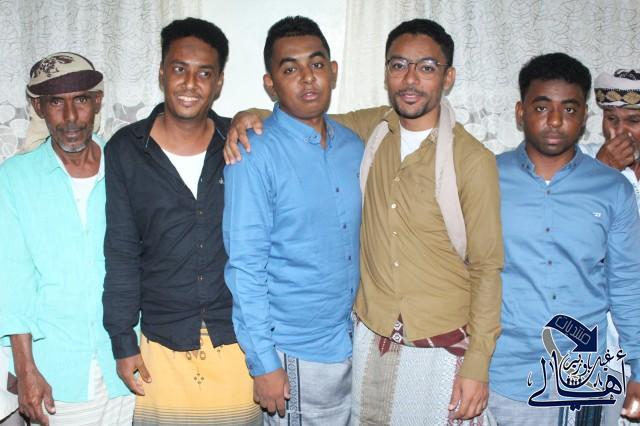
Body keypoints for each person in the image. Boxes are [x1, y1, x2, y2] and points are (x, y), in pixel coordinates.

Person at [225, 18, 503, 424]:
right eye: (399, 65)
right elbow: (245, 265)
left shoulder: (457, 156)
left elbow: (487, 267)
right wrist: (263, 361)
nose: (411, 79)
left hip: (417, 344)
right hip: (329, 345)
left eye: (426, 67)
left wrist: (477, 363)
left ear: (448, 77)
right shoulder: (362, 132)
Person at [102, 18, 261, 425]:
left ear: (219, 82)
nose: (190, 83)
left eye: (204, 73)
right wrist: (122, 340)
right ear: (161, 73)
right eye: (179, 69)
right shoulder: (126, 150)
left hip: (236, 344)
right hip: (161, 348)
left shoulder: (243, 144)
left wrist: (257, 113)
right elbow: (121, 252)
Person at [223, 16, 363, 425]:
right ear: (270, 84)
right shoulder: (253, 153)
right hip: (295, 352)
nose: (307, 78)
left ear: (332, 71)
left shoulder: (354, 144)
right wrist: (264, 362)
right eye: (290, 69)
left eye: (316, 65)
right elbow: (245, 266)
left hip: (354, 343)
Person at [488, 53, 640, 425]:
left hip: (586, 376)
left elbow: (626, 284)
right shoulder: (485, 177)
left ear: (583, 117)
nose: (555, 121)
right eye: (542, 107)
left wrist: (639, 367)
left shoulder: (612, 188)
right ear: (520, 112)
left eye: (569, 109)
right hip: (504, 375)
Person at [0, 52, 133, 426]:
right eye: (56, 102)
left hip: (130, 363)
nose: (71, 117)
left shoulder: (126, 165)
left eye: (81, 99)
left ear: (98, 101)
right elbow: (12, 281)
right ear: (38, 107)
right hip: (58, 373)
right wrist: (26, 370)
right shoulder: (14, 178)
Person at [592, 69, 640, 426]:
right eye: (611, 119)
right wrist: (601, 172)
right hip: (603, 332)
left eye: (633, 121)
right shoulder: (584, 166)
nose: (619, 132)